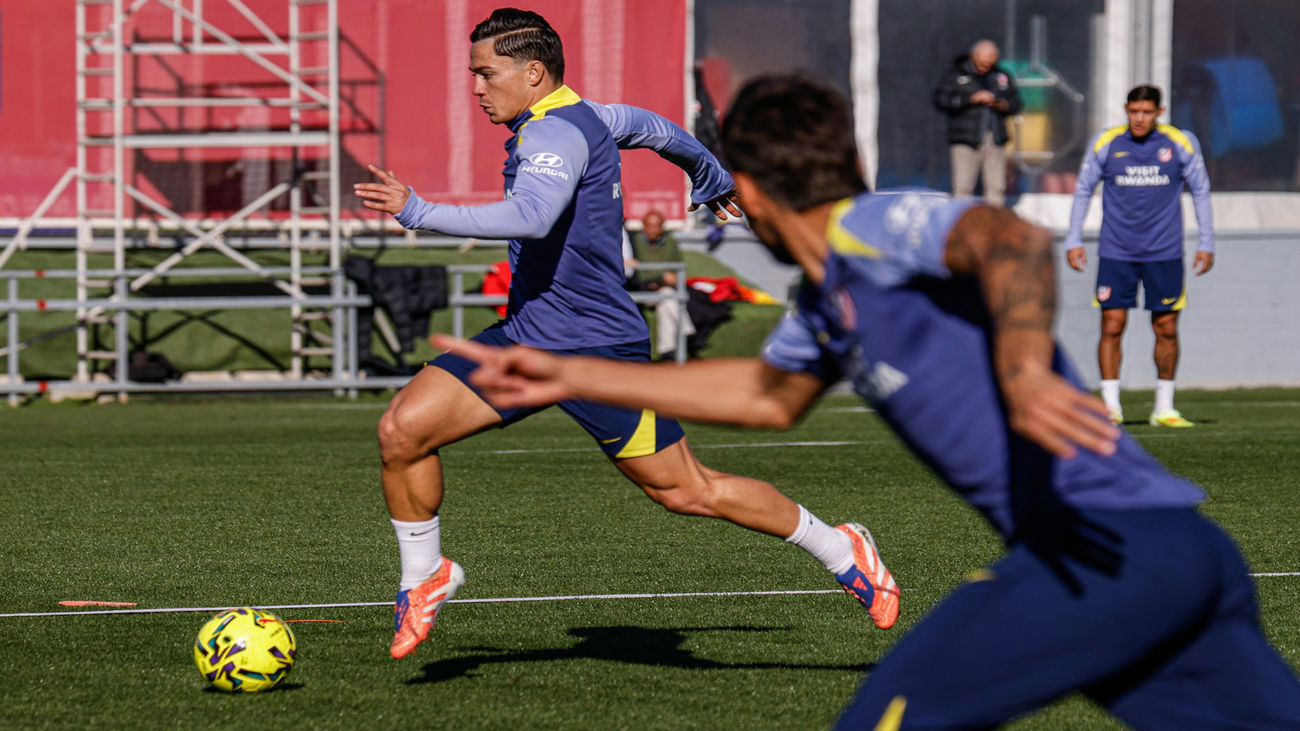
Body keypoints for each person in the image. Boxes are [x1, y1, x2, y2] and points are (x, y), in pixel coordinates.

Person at [442, 75, 1300, 729]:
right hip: (1174, 559)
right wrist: (574, 375)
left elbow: (1008, 238)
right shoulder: (827, 296)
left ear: (756, 190)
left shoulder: (872, 226)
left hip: (1104, 556)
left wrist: (1026, 364)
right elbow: (767, 396)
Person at [350, 9, 899, 660]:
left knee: (686, 490)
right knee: (402, 431)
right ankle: (426, 576)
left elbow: (531, 215)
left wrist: (417, 210)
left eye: (485, 72)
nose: (475, 86)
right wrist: (709, 172)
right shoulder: (589, 115)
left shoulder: (553, 137)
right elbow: (653, 127)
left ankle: (842, 548)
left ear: (532, 72)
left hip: (598, 349)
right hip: (528, 337)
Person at [1065, 84, 1214, 428]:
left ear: (1159, 113)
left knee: (1166, 326)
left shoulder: (1180, 142)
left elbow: (1202, 191)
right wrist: (1074, 238)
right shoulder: (1107, 143)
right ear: (1126, 110)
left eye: (1146, 112)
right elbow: (1084, 188)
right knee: (1112, 324)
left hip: (1164, 253)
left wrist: (1207, 243)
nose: (1139, 118)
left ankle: (1164, 408)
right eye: (1133, 112)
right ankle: (1110, 408)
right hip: (1117, 252)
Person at [933, 39, 1022, 206]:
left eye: (990, 64)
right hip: (965, 137)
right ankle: (961, 223)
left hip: (994, 136)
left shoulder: (1000, 76)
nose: (985, 68)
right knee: (963, 186)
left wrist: (1002, 104)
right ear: (973, 56)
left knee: (996, 186)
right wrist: (970, 99)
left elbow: (1016, 103)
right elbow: (941, 100)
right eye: (982, 64)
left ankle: (992, 225)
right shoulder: (957, 75)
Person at [627, 209, 695, 361]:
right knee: (669, 297)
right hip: (642, 291)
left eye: (657, 226)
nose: (654, 230)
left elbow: (677, 269)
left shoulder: (669, 242)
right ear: (643, 226)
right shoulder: (635, 242)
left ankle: (667, 352)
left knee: (667, 303)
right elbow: (638, 272)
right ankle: (688, 332)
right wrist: (661, 275)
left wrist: (668, 278)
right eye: (650, 226)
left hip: (663, 290)